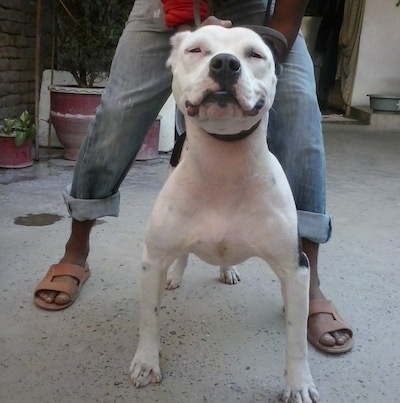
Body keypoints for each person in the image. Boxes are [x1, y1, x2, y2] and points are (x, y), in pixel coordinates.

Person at [34, 0, 353, 354]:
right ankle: (76, 250)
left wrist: (264, 54)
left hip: (262, 8)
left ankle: (306, 281)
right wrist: (194, 37)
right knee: (119, 113)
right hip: (169, 5)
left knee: (300, 114)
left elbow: (288, 13)